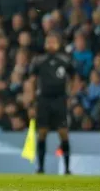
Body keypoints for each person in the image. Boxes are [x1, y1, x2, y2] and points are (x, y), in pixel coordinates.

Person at [29, 31, 75, 174]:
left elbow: (74, 78)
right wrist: (32, 100)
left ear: (58, 44)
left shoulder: (65, 60)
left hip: (60, 99)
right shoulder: (38, 61)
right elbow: (32, 80)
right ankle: (40, 168)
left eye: (53, 41)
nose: (51, 44)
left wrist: (71, 95)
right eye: (48, 41)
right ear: (45, 44)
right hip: (43, 100)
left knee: (63, 132)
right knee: (42, 132)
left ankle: (67, 168)